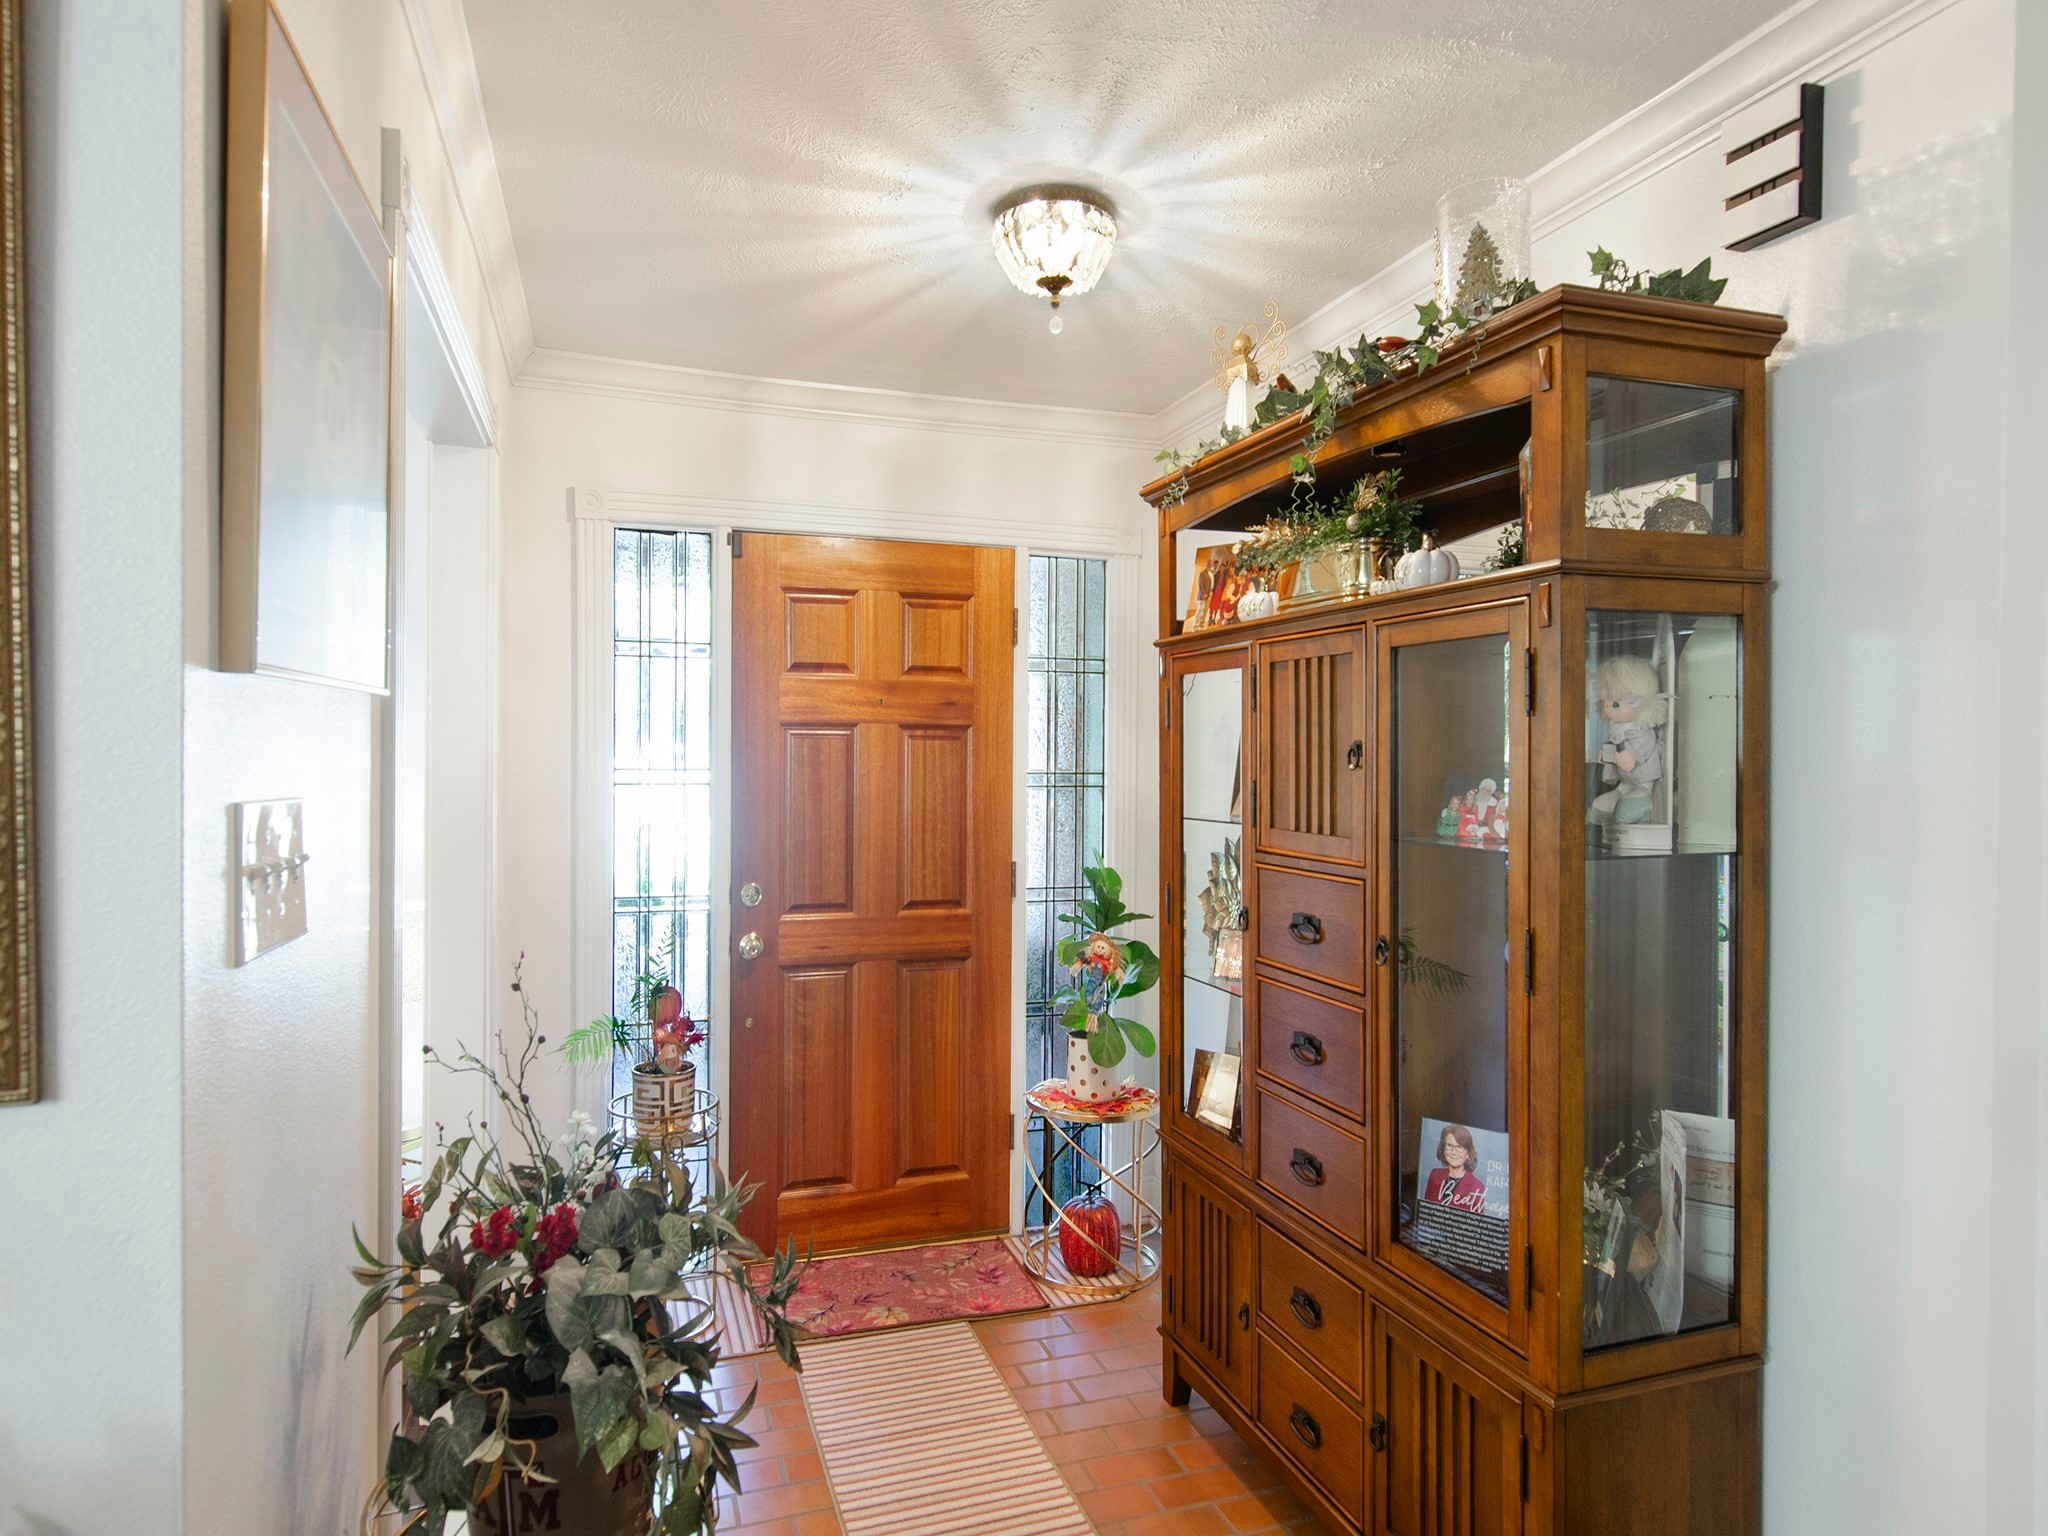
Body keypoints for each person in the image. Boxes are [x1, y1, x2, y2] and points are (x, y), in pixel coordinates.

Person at [1423, 1123, 1486, 1207]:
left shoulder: (1478, 1187)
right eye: (1449, 1145)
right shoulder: (1434, 1174)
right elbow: (1426, 1210)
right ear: (1443, 1149)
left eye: (1459, 1147)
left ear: (1468, 1153)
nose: (1453, 1152)